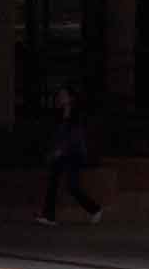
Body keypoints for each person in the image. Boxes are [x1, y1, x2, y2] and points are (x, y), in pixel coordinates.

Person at [39, 88, 104, 225]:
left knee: (72, 186)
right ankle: (48, 216)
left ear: (70, 98)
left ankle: (95, 209)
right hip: (61, 154)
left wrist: (61, 150)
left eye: (63, 95)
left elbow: (75, 138)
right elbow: (57, 137)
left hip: (74, 154)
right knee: (53, 182)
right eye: (59, 95)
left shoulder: (76, 115)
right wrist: (52, 152)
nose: (60, 98)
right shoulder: (58, 115)